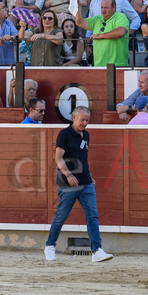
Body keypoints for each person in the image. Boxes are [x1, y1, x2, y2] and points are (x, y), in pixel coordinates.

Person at [44, 106, 113, 262]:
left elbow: (83, 158)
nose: (85, 123)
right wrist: (68, 175)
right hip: (67, 183)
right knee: (61, 215)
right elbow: (58, 158)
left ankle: (96, 251)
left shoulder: (86, 135)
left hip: (86, 183)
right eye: (82, 119)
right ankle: (50, 246)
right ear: (74, 117)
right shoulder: (64, 134)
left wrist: (89, 175)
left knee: (92, 216)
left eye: (87, 120)